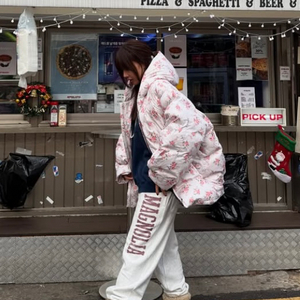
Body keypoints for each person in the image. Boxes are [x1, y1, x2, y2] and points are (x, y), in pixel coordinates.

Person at [105, 39, 225, 300]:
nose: (124, 75)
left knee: (140, 242)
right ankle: (177, 290)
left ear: (139, 62)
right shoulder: (138, 91)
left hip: (157, 183)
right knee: (162, 241)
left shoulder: (158, 87)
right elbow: (132, 133)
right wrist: (127, 166)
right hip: (149, 180)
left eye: (126, 68)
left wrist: (163, 174)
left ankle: (122, 295)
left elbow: (190, 128)